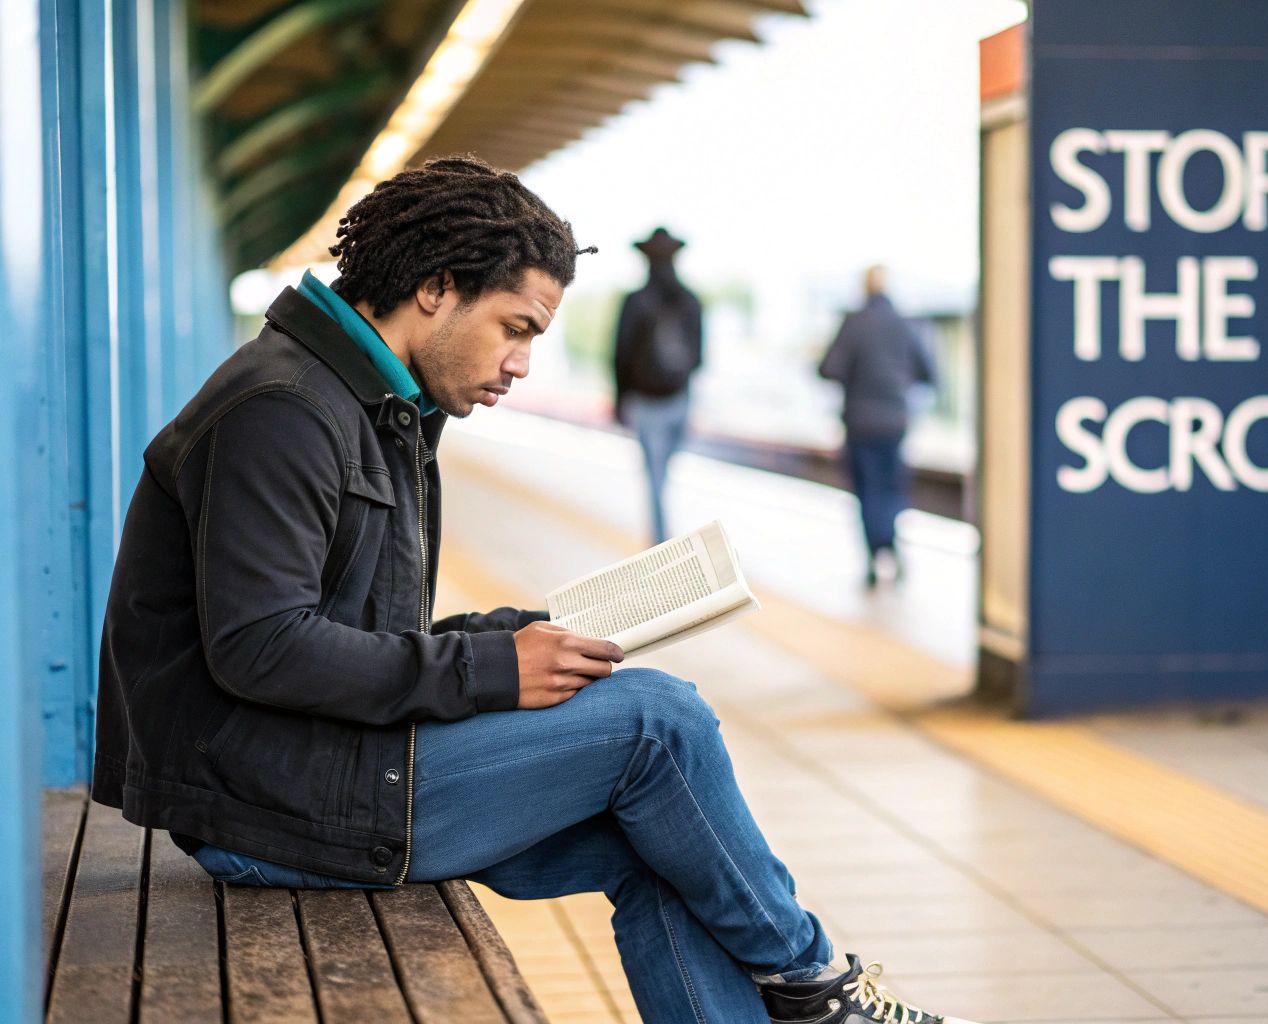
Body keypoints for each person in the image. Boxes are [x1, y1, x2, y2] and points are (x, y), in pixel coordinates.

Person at [91, 157, 975, 1024]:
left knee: (667, 847)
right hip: (271, 804)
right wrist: (490, 669)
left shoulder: (357, 403)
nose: (520, 363)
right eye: (515, 327)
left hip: (321, 765)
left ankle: (807, 992)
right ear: (437, 287)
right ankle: (815, 985)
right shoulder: (283, 410)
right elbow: (263, 647)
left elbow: (352, 630)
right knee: (660, 719)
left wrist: (528, 634)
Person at [818, 266, 937, 588]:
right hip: (895, 421)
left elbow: (828, 368)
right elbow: (929, 371)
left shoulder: (854, 323)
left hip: (859, 421)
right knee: (891, 486)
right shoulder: (905, 324)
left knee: (867, 488)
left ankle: (875, 552)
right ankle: (889, 542)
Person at [612, 226, 703, 544]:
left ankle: (661, 542)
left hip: (646, 400)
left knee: (655, 477)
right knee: (668, 470)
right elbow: (700, 357)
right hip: (680, 397)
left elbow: (620, 355)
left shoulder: (635, 301)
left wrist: (620, 400)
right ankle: (671, 538)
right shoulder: (691, 300)